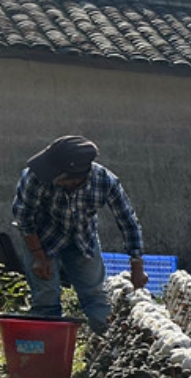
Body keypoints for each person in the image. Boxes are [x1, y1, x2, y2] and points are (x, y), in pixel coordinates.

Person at [11, 135, 147, 335]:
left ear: (75, 176)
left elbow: (127, 220)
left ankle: (109, 350)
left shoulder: (104, 181)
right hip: (42, 239)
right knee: (46, 300)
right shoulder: (34, 177)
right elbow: (24, 219)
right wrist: (39, 257)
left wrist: (137, 264)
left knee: (96, 298)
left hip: (83, 240)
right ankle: (48, 353)